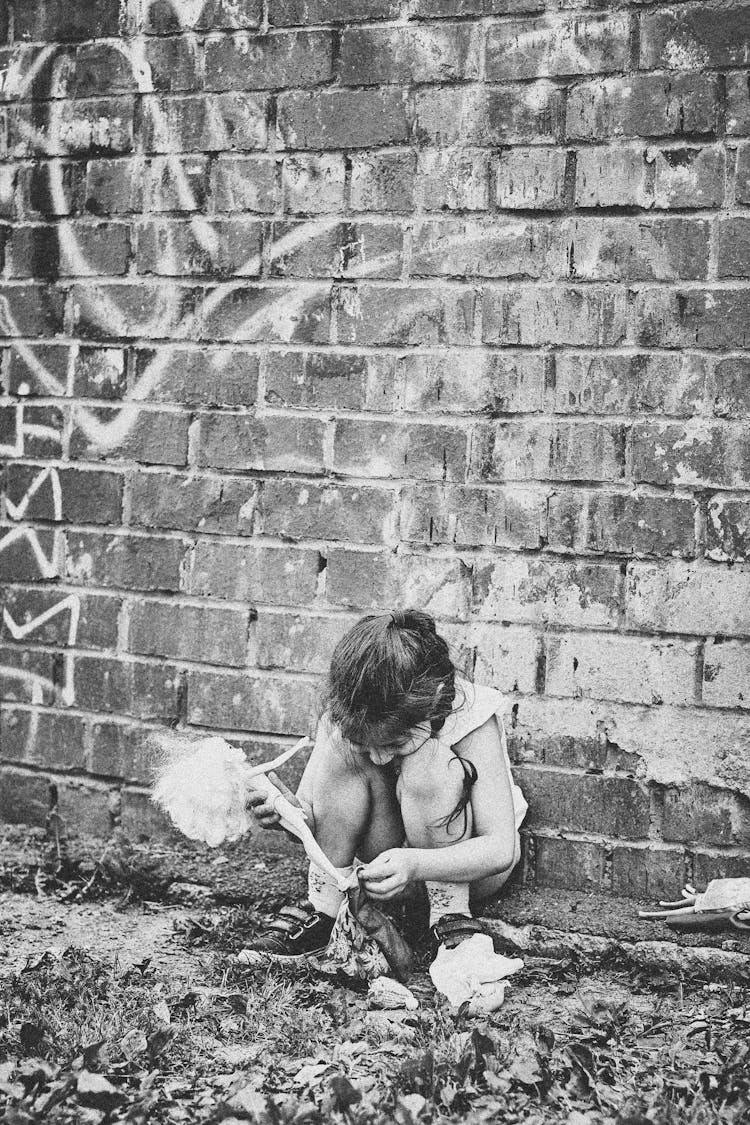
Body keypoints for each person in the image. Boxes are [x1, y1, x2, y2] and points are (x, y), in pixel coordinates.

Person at [246, 608, 528, 961]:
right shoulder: (346, 716)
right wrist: (290, 817)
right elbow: (318, 827)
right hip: (378, 874)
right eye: (369, 746)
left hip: (463, 873)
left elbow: (501, 849)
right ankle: (325, 909)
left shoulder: (471, 719)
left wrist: (415, 864)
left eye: (394, 745)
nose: (379, 759)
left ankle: (450, 919)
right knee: (340, 747)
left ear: (436, 698)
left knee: (426, 762)